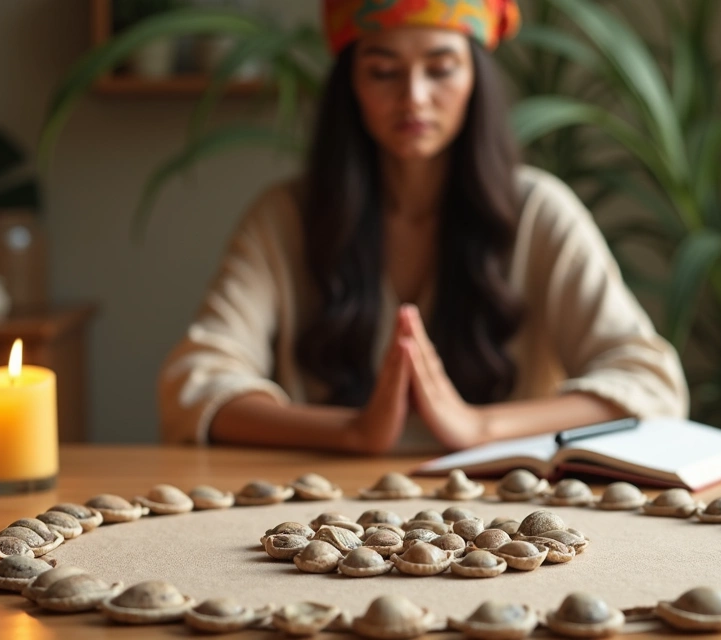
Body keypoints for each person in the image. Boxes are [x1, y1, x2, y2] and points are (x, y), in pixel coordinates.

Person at [158, 0, 688, 454]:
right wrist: (353, 433)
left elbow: (652, 385)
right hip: (326, 519)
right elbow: (194, 384)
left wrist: (480, 427)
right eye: (384, 71)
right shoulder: (285, 217)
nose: (413, 96)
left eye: (440, 68)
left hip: (510, 523)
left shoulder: (540, 211)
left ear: (475, 77)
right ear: (351, 86)